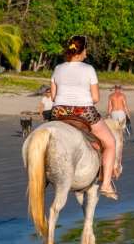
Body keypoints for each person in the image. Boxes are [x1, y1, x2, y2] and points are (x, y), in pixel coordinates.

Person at [51, 36, 119, 199]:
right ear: (81, 51)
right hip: (83, 112)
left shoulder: (58, 68)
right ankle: (106, 184)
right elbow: (95, 98)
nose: (87, 53)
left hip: (59, 112)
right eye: (86, 49)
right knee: (110, 143)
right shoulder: (89, 69)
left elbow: (53, 96)